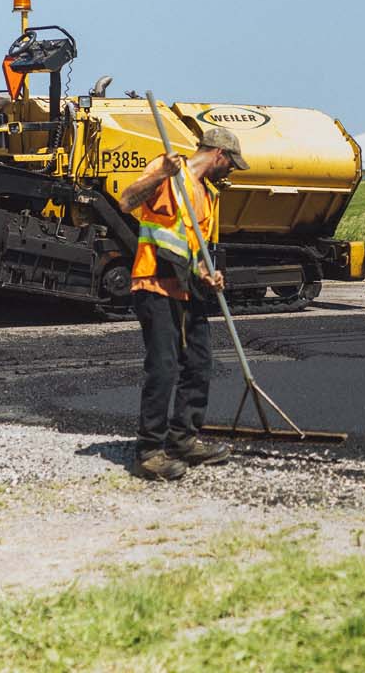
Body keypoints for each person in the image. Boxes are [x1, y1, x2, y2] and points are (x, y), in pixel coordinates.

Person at [117, 126, 250, 481]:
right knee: (163, 367)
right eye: (231, 164)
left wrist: (209, 274)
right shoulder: (167, 171)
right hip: (153, 282)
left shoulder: (206, 196)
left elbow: (196, 252)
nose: (231, 171)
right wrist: (162, 174)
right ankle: (149, 451)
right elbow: (126, 201)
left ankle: (183, 438)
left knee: (199, 364)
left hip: (188, 289)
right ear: (219, 155)